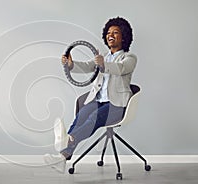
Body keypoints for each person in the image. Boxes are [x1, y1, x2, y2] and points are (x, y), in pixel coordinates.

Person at [44, 16, 137, 173]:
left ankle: (69, 139)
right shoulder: (104, 57)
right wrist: (71, 64)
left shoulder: (129, 58)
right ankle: (62, 159)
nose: (111, 35)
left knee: (93, 118)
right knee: (80, 117)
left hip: (117, 105)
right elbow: (87, 67)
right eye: (108, 32)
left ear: (124, 37)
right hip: (99, 100)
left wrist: (103, 64)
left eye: (116, 32)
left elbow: (120, 68)